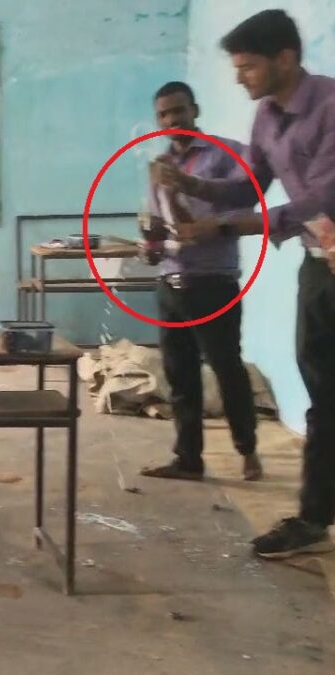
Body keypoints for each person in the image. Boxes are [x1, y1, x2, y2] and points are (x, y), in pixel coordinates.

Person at [153, 9, 335, 559]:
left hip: (313, 245)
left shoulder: (329, 106)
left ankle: (309, 511)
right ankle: (314, 518)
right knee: (323, 392)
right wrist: (185, 184)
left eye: (249, 66)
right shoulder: (265, 118)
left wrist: (226, 226)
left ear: (284, 59)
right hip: (319, 261)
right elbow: (247, 188)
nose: (240, 78)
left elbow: (320, 200)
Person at [137, 82, 264, 484]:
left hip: (214, 282)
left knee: (227, 369)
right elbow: (158, 227)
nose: (173, 120)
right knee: (179, 375)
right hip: (170, 282)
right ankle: (188, 459)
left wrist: (203, 225)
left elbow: (243, 213)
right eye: (164, 115)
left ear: (196, 109)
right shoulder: (158, 165)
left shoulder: (228, 156)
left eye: (179, 111)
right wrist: (151, 244)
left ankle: (248, 451)